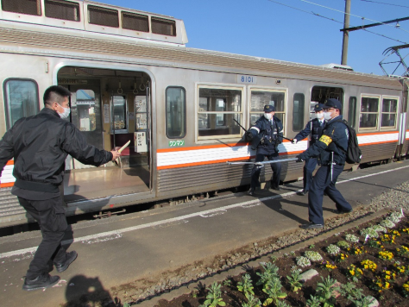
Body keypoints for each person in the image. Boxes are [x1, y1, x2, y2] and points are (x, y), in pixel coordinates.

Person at [0, 85, 121, 291]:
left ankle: (61, 258)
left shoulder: (22, 124)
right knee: (54, 232)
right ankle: (34, 276)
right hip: (45, 191)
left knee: (50, 225)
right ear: (56, 105)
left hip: (22, 190)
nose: (68, 109)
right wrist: (109, 156)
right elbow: (85, 154)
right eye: (66, 104)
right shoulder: (63, 128)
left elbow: (2, 151)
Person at [296, 98, 352, 229]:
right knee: (329, 186)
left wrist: (304, 155)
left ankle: (317, 221)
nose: (325, 112)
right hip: (334, 163)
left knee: (315, 188)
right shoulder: (337, 124)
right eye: (325, 110)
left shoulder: (335, 127)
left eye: (328, 110)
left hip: (332, 164)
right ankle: (345, 207)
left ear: (336, 111)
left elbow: (321, 144)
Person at [247, 105, 283, 195]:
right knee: (257, 167)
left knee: (278, 166)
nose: (266, 114)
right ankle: (253, 188)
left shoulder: (278, 122)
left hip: (272, 148)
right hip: (262, 147)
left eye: (268, 112)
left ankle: (275, 184)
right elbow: (255, 128)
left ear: (273, 112)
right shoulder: (261, 121)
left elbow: (281, 133)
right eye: (265, 112)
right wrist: (252, 133)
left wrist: (279, 140)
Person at [292, 103, 326, 195]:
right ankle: (307, 188)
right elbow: (304, 132)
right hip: (314, 149)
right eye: (316, 112)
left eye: (320, 111)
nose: (318, 113)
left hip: (325, 150)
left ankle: (327, 188)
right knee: (307, 168)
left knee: (327, 169)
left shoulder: (329, 123)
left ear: (324, 112)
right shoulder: (312, 123)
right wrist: (297, 138)